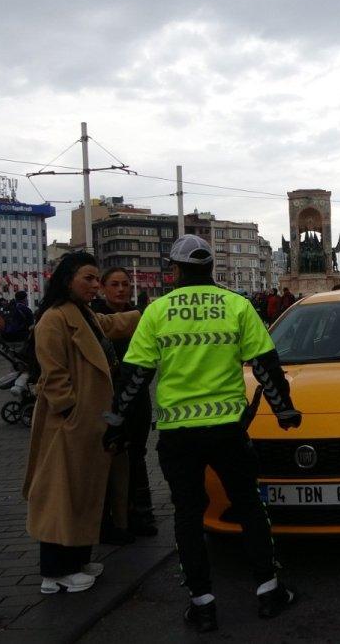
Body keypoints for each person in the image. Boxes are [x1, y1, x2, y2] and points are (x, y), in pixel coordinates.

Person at [112, 236, 301, 630]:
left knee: (188, 515)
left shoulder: (157, 311)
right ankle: (268, 591)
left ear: (175, 270)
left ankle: (202, 605)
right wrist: (283, 410)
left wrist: (115, 422)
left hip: (178, 434)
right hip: (228, 430)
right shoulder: (236, 305)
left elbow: (135, 376)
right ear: (211, 267)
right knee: (249, 507)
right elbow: (265, 365)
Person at [23, 252, 141, 596]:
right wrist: (70, 412)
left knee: (84, 494)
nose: (95, 286)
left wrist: (150, 313)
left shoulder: (83, 313)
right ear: (68, 279)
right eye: (88, 278)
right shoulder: (53, 318)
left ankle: (77, 560)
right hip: (67, 426)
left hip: (90, 422)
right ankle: (55, 571)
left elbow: (111, 325)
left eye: (95, 279)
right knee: (60, 497)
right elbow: (53, 374)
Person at [93, 267, 158, 542]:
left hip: (137, 397)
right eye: (114, 284)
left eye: (125, 284)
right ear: (103, 288)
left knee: (137, 454)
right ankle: (108, 520)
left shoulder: (138, 317)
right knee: (109, 457)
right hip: (107, 398)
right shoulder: (95, 318)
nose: (120, 289)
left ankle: (139, 513)